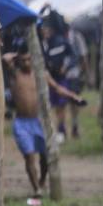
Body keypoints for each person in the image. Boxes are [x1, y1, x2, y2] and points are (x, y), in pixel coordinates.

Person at [2, 42, 85, 205]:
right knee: (29, 155)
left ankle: (42, 181)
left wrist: (74, 97)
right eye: (23, 60)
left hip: (39, 121)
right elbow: (5, 59)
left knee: (45, 156)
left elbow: (58, 88)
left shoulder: (41, 75)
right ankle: (36, 189)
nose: (26, 63)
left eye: (29, 60)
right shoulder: (14, 74)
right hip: (22, 122)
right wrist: (17, 55)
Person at [40, 15, 75, 143]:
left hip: (60, 79)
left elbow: (72, 56)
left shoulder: (61, 41)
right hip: (49, 80)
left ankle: (61, 130)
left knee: (61, 106)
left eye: (47, 29)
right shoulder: (43, 44)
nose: (45, 32)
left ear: (52, 29)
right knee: (53, 107)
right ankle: (56, 131)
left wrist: (65, 67)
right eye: (43, 30)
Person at [65, 26, 89, 139]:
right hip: (62, 75)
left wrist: (83, 73)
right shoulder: (60, 36)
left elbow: (83, 56)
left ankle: (74, 125)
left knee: (74, 102)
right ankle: (63, 128)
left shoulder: (76, 36)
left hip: (74, 74)